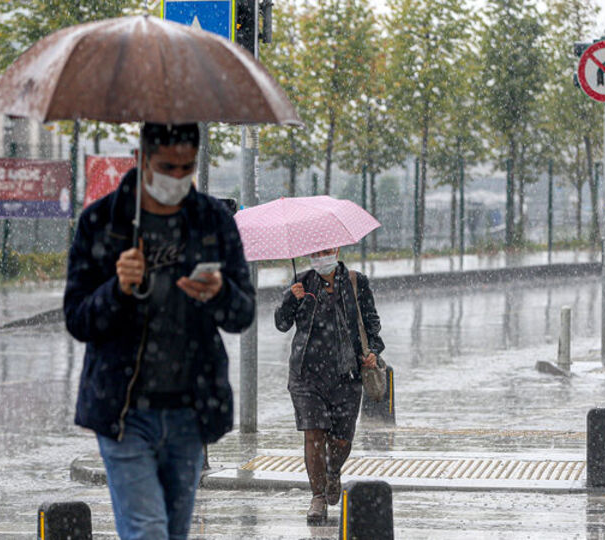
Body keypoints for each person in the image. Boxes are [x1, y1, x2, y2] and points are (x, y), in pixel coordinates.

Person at [64, 122, 254, 540]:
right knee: (147, 531)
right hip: (123, 412)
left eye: (186, 168)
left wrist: (219, 293)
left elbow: (243, 314)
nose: (177, 178)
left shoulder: (213, 221)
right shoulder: (102, 223)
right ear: (143, 160)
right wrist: (118, 289)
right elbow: (78, 319)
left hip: (189, 409)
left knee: (172, 531)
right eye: (167, 167)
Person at [274, 247, 384, 521]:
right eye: (315, 252)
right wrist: (290, 298)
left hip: (346, 375)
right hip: (306, 375)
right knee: (313, 434)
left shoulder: (357, 282)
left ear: (336, 250)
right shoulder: (302, 282)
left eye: (326, 251)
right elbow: (281, 323)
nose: (320, 256)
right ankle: (318, 497)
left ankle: (333, 471)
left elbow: (372, 324)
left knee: (342, 439)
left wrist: (373, 352)